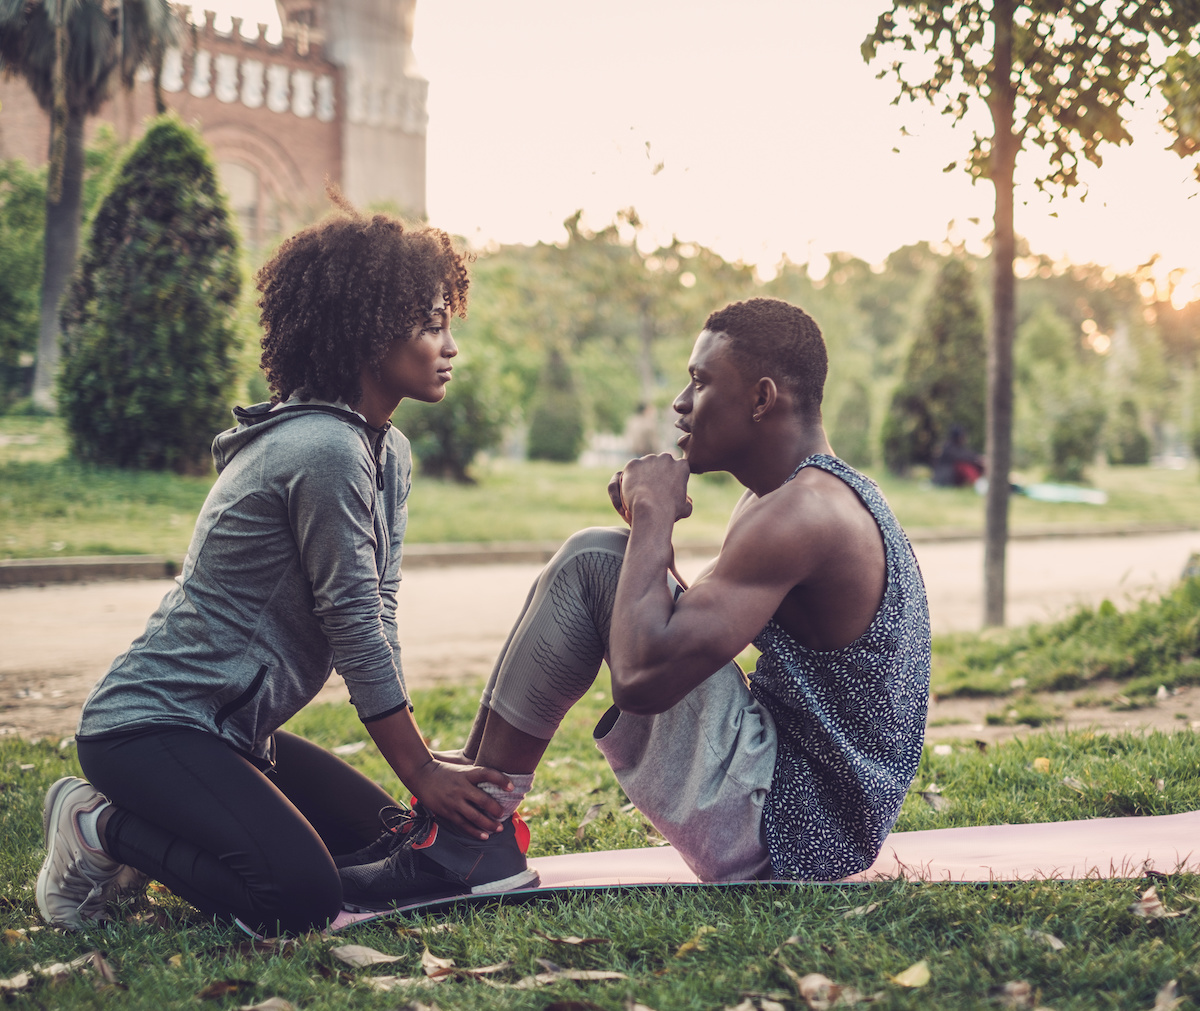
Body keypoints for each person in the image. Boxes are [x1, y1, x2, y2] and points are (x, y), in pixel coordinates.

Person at [35, 196, 536, 938]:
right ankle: (97, 825)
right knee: (298, 897)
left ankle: (189, 815)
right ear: (370, 332)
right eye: (433, 323)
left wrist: (423, 760)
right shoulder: (321, 450)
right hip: (148, 728)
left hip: (234, 734)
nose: (450, 344)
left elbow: (378, 609)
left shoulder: (383, 450)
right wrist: (421, 769)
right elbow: (353, 623)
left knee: (391, 843)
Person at [336, 297, 931, 909]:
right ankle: (465, 823)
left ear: (761, 398)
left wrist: (651, 520)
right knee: (603, 559)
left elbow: (645, 678)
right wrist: (647, 532)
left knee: (596, 558)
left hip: (798, 832)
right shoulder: (793, 497)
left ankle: (469, 840)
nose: (680, 402)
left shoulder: (802, 512)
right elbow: (683, 633)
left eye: (700, 382)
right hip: (805, 815)